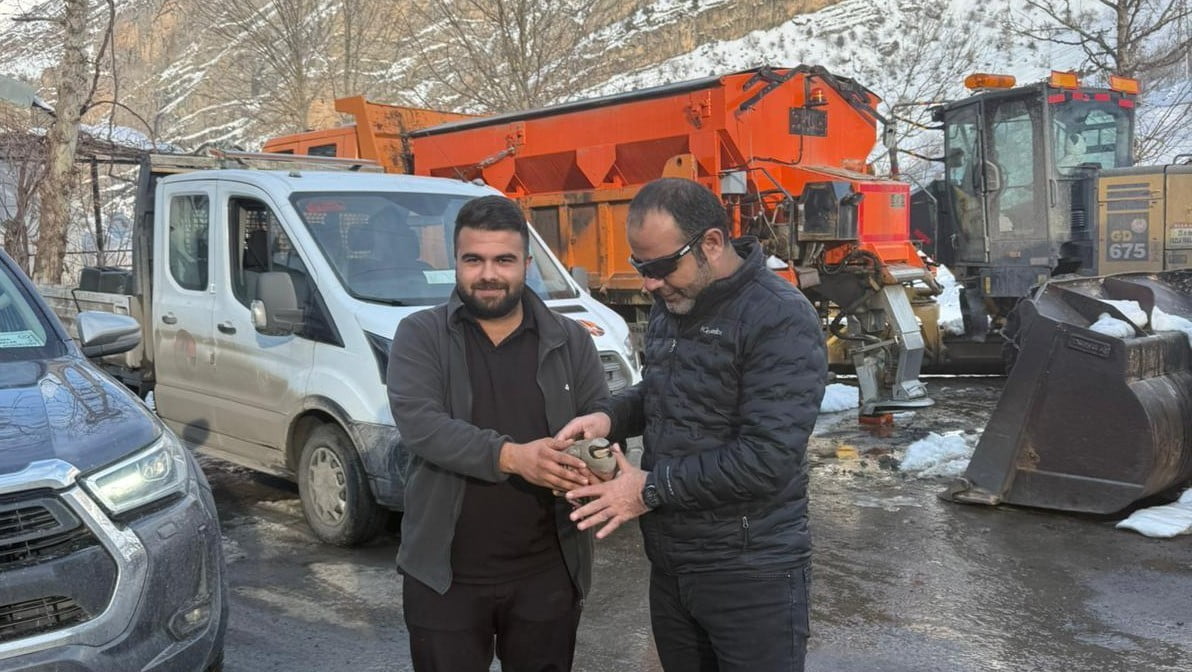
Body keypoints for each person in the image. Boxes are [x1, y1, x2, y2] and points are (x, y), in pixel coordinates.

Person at [557, 177, 828, 671]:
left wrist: (648, 489)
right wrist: (609, 416)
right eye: (641, 267)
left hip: (752, 571)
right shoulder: (671, 308)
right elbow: (661, 392)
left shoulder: (779, 318)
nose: (649, 284)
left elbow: (767, 458)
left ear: (711, 243)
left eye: (661, 267)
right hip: (674, 564)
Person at [387, 194, 609, 671]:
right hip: (444, 578)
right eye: (474, 259)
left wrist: (600, 455)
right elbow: (421, 426)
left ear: (527, 264)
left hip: (547, 574)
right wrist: (513, 457)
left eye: (504, 259)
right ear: (456, 262)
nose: (488, 273)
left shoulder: (570, 339)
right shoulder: (419, 335)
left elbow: (601, 414)